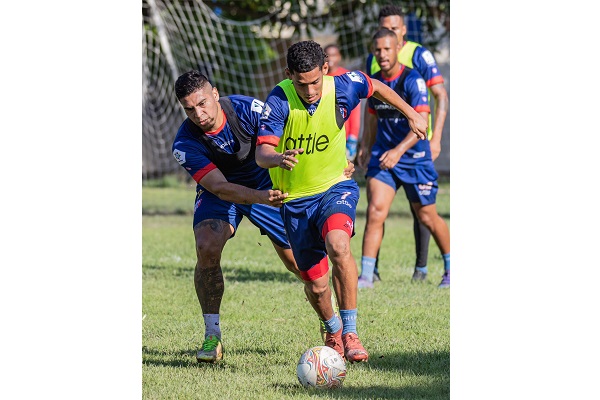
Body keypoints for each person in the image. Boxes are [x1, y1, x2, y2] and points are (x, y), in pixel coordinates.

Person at [255, 40, 427, 363]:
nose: (309, 91)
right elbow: (261, 153)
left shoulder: (344, 86)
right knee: (317, 286)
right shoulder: (279, 99)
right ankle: (332, 330)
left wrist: (412, 114)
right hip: (295, 202)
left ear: (325, 69)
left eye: (315, 82)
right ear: (289, 74)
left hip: (336, 187)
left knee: (338, 244)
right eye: (301, 84)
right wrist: (277, 157)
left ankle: (350, 332)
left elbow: (375, 86)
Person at [171, 71, 355, 363]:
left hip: (268, 184)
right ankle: (211, 335)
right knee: (206, 245)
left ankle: (331, 324)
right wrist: (258, 198)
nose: (199, 113)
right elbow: (218, 186)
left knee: (299, 264)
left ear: (215, 94)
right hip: (223, 192)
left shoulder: (249, 110)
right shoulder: (184, 143)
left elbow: (293, 137)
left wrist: (333, 163)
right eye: (190, 109)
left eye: (203, 103)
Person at [358, 4, 450, 287]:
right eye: (378, 50)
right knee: (375, 210)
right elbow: (371, 117)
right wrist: (365, 145)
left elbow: (422, 120)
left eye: (388, 48)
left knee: (426, 214)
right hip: (384, 156)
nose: (383, 54)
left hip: (413, 155)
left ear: (399, 44)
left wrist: (407, 149)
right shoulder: (374, 78)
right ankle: (366, 275)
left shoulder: (413, 77)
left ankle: (449, 267)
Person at [324, 44, 361, 162]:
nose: (330, 59)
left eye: (333, 55)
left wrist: (353, 136)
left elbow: (355, 109)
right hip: (324, 136)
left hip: (344, 136)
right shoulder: (318, 79)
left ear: (339, 57)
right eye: (327, 56)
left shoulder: (347, 77)